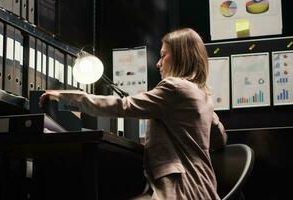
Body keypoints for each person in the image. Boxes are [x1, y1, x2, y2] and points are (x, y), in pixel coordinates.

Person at [39, 27, 227, 200]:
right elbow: (219, 139)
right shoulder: (203, 97)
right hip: (205, 187)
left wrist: (65, 97)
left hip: (179, 190)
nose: (158, 63)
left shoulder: (174, 88)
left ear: (180, 57)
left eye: (163, 56)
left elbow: (123, 105)